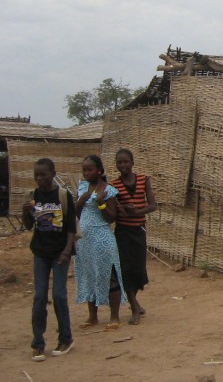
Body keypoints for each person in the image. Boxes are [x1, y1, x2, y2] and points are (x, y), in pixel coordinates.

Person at [22, 158, 76, 361]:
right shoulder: (32, 196)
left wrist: (67, 251)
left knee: (60, 296)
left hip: (60, 253)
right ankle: (38, 343)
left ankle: (66, 338)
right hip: (41, 253)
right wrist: (26, 211)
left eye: (43, 174)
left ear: (53, 173)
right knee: (39, 297)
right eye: (36, 175)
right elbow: (28, 226)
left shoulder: (63, 195)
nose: (39, 178)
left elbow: (71, 226)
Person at [74, 154, 126, 332]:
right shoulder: (81, 188)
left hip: (102, 240)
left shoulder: (108, 190)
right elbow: (75, 213)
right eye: (84, 170)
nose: (86, 173)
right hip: (85, 241)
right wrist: (81, 200)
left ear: (99, 171)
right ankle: (92, 316)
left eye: (90, 169)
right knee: (89, 276)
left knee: (109, 276)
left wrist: (100, 202)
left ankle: (114, 316)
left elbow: (112, 218)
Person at [111, 148, 157, 325]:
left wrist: (137, 211)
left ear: (132, 162)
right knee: (125, 269)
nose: (122, 165)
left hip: (138, 231)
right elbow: (114, 209)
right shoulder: (114, 186)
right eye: (119, 162)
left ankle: (135, 303)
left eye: (125, 161)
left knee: (138, 269)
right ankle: (134, 308)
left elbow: (153, 205)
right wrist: (123, 210)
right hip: (122, 232)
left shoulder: (143, 180)